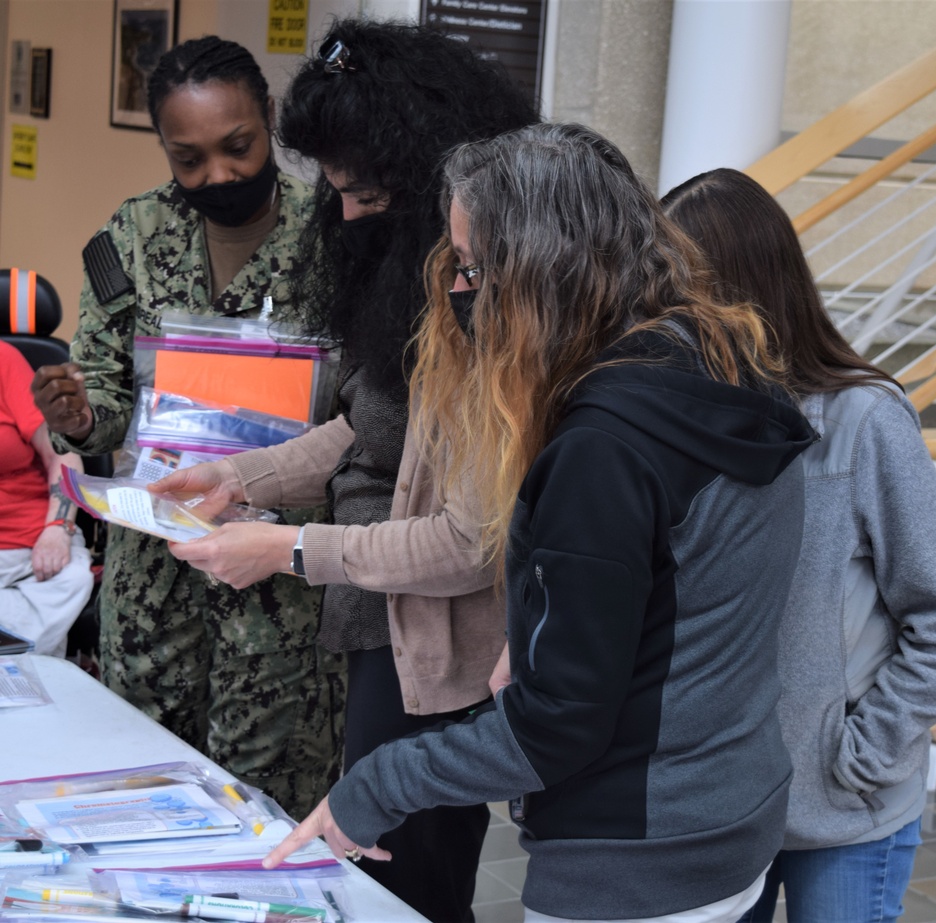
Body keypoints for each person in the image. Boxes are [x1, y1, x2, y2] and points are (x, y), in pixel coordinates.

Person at [260, 123, 816, 923]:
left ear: (537, 277)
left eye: (472, 268)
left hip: (632, 863)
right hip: (732, 822)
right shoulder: (724, 369)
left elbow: (556, 727)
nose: (459, 292)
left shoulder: (604, 449)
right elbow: (682, 593)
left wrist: (376, 785)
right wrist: (542, 628)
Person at [155, 20, 539, 922]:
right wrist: (242, 478)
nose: (352, 215)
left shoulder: (482, 310)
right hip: (380, 624)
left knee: (407, 881)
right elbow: (366, 429)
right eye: (337, 193)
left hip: (434, 644)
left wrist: (286, 547)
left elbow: (467, 540)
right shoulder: (404, 275)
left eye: (366, 192)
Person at [660, 167, 936, 923]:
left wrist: (863, 755)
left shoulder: (863, 421)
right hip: (720, 810)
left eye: (678, 286)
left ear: (742, 290)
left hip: (846, 813)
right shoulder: (683, 422)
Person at [29, 36, 340, 822]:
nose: (218, 175)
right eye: (188, 158)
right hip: (156, 577)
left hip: (281, 586)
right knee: (142, 793)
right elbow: (105, 394)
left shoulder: (335, 238)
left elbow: (364, 413)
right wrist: (79, 417)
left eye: (237, 146)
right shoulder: (132, 235)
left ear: (268, 117)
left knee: (268, 809)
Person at [0, 341, 93, 658]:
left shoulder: (4, 359)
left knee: (74, 579)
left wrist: (57, 528)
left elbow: (62, 454)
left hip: (34, 547)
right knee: (41, 647)